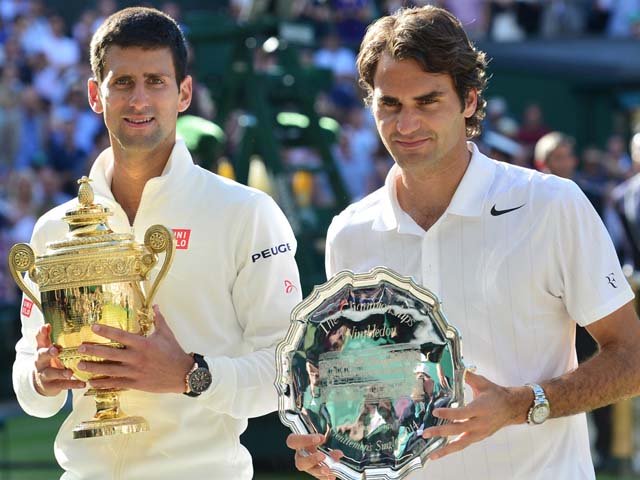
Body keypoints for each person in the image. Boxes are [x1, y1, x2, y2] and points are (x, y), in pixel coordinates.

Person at [286, 6, 640, 480]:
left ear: (470, 101)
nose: (406, 125)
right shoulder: (349, 232)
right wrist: (333, 446)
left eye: (428, 101)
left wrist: (520, 406)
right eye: (390, 104)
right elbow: (365, 393)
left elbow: (631, 357)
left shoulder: (553, 205)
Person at [12, 7, 302, 480]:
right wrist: (41, 378)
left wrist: (190, 375)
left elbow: (286, 369)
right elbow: (28, 379)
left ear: (184, 92)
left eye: (156, 81)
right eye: (122, 82)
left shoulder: (246, 213)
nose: (139, 99)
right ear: (95, 95)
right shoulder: (54, 228)